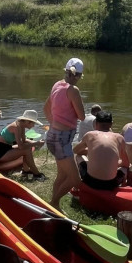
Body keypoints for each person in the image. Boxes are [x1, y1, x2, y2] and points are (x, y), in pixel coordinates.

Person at [44, 57, 86, 209]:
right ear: (79, 75)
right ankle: (53, 202)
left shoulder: (57, 85)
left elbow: (46, 107)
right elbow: (82, 116)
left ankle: (55, 207)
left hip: (53, 136)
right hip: (61, 139)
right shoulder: (73, 90)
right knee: (75, 180)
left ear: (66, 71)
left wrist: (54, 123)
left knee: (62, 175)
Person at [73, 122, 130, 190]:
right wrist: (115, 163)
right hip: (111, 184)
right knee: (127, 167)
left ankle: (76, 185)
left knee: (78, 156)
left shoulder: (90, 134)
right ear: (111, 124)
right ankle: (124, 186)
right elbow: (126, 164)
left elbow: (75, 150)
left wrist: (90, 150)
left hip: (89, 182)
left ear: (96, 124)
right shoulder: (119, 137)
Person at [0, 109, 46, 180]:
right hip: (0, 152)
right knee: (26, 150)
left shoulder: (21, 125)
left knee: (28, 148)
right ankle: (36, 174)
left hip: (7, 148)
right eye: (33, 123)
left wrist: (37, 142)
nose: (33, 126)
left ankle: (26, 170)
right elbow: (21, 146)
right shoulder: (16, 127)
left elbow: (24, 141)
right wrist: (36, 143)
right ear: (28, 122)